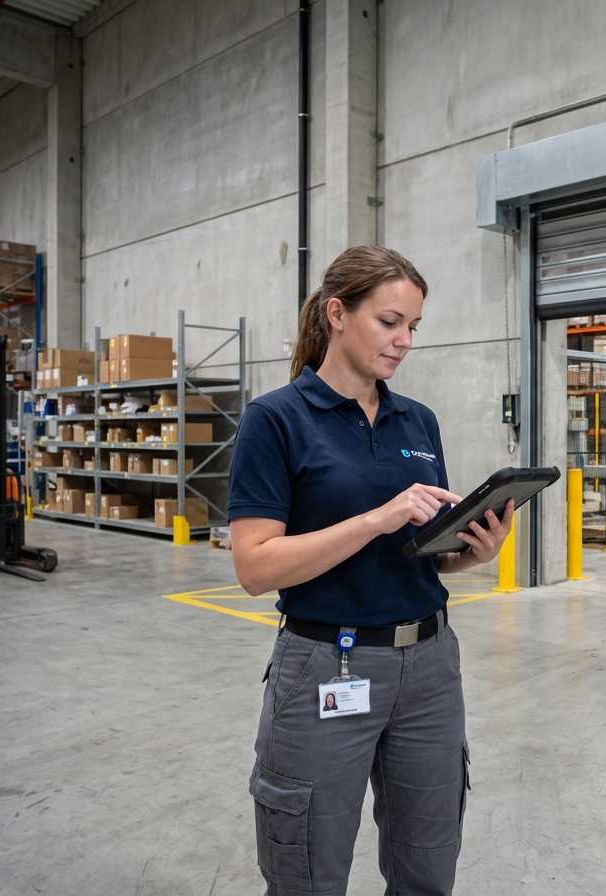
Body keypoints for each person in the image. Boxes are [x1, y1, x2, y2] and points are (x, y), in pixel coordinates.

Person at [229, 245, 514, 896]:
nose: (405, 340)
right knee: (307, 868)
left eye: (414, 326)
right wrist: (375, 519)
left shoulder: (420, 422)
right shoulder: (276, 420)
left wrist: (472, 551)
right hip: (329, 663)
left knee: (428, 859)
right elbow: (252, 566)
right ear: (337, 313)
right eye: (390, 322)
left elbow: (423, 551)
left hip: (431, 667)